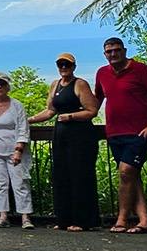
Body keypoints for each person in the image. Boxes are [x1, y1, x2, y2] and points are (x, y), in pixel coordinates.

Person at [95, 37, 147, 234]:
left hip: (140, 132)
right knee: (131, 175)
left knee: (126, 171)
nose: (113, 54)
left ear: (124, 51)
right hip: (114, 132)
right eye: (109, 51)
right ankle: (144, 220)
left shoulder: (140, 69)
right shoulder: (102, 73)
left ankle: (122, 219)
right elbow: (96, 101)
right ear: (104, 54)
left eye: (116, 50)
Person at [28, 52, 102, 231]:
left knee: (80, 176)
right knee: (62, 176)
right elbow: (50, 111)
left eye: (67, 65)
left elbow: (92, 110)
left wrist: (71, 116)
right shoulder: (55, 85)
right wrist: (28, 120)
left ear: (73, 67)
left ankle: (83, 220)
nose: (63, 68)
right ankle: (64, 219)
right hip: (61, 136)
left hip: (80, 136)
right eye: (60, 65)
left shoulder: (80, 84)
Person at [0, 72, 34, 228]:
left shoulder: (17, 106)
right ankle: (2, 216)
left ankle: (25, 217)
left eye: (2, 84)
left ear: (8, 86)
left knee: (20, 183)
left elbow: (23, 128)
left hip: (14, 152)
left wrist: (19, 150)